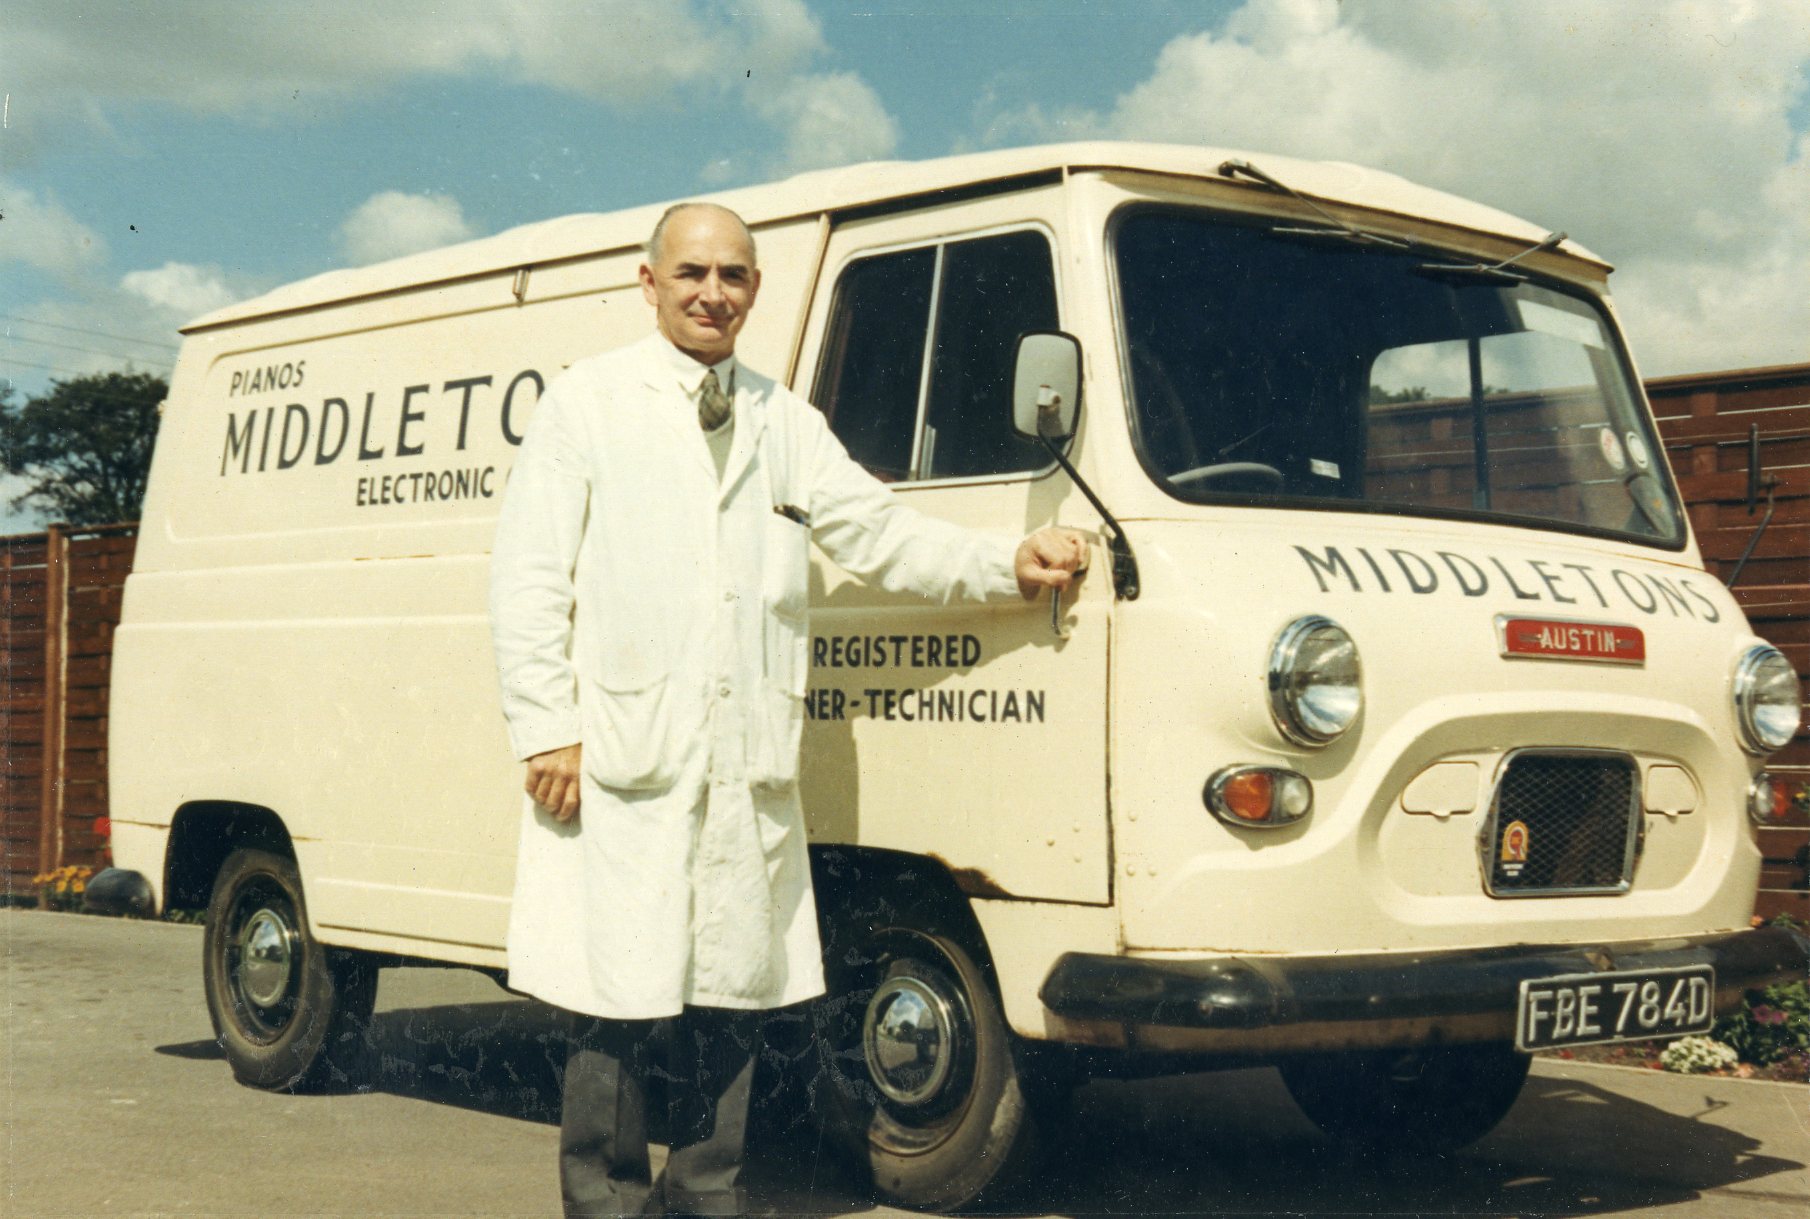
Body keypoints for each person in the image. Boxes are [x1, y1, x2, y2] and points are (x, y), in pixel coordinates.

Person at [488, 200, 1086, 1218]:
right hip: (626, 752)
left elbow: (881, 534)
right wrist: (548, 726)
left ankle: (707, 1196)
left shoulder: (784, 421)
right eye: (691, 273)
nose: (712, 294)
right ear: (649, 283)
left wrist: (1007, 563)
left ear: (756, 289)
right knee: (613, 993)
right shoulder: (590, 403)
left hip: (743, 757)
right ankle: (606, 1202)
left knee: (735, 988)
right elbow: (528, 577)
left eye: (732, 275)